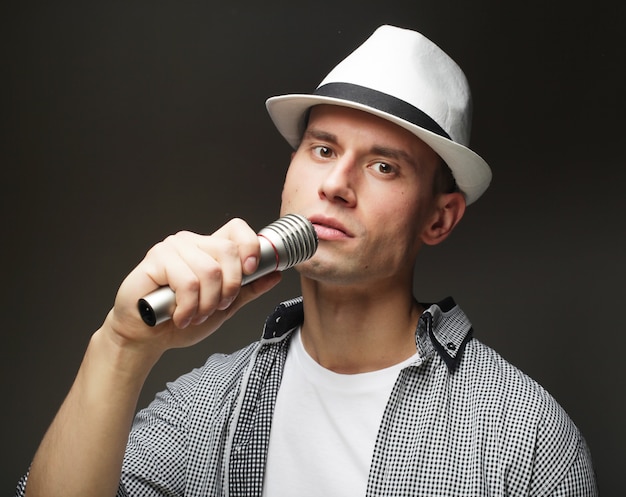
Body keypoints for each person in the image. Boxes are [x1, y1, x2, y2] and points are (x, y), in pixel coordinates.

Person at [16, 25, 598, 496]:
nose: (336, 185)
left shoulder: (523, 437)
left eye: (383, 167)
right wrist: (121, 348)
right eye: (322, 150)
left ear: (439, 218)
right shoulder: (211, 407)